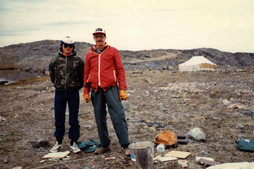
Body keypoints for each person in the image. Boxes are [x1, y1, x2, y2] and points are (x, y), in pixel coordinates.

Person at [83, 28, 130, 156]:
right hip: (96, 90)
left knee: (118, 116)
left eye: (101, 36)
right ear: (94, 38)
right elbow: (86, 74)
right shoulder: (89, 54)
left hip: (111, 88)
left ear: (105, 37)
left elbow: (120, 70)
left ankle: (125, 145)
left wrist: (122, 89)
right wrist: (86, 91)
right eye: (96, 36)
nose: (99, 38)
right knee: (99, 118)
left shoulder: (113, 51)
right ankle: (104, 145)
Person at [49, 36, 84, 153]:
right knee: (59, 118)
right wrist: (59, 85)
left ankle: (74, 142)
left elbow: (82, 77)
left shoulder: (78, 61)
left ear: (73, 47)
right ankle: (58, 142)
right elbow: (52, 77)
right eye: (66, 45)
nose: (68, 48)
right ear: (61, 46)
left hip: (73, 93)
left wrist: (75, 86)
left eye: (71, 46)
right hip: (59, 93)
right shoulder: (54, 61)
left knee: (73, 119)